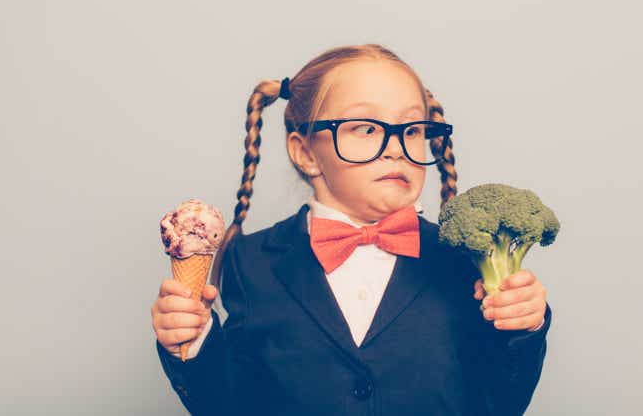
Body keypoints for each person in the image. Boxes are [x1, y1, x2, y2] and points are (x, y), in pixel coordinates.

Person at [151, 43, 551, 416]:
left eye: (411, 130)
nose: (396, 146)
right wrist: (191, 339)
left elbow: (499, 402)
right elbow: (231, 404)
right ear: (305, 152)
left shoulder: (464, 257)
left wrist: (522, 328)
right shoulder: (250, 261)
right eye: (366, 127)